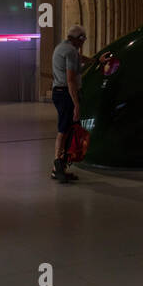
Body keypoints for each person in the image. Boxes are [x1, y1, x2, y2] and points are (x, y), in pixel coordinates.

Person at [50, 25, 96, 182]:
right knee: (63, 130)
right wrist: (76, 104)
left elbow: (79, 59)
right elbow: (70, 80)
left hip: (59, 92)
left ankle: (59, 168)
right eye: (83, 40)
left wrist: (94, 60)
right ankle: (57, 166)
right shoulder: (70, 51)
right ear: (79, 39)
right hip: (65, 94)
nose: (83, 43)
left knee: (67, 129)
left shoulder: (63, 48)